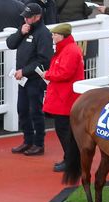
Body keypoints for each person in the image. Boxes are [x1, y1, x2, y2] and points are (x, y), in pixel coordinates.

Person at [6, 2, 52, 157]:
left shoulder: (43, 33)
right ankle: (27, 140)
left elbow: (44, 60)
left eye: (28, 17)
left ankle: (39, 144)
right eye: (24, 17)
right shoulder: (25, 28)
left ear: (37, 17)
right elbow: (10, 44)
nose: (25, 19)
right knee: (22, 110)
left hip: (34, 79)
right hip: (23, 80)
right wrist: (20, 32)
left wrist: (24, 71)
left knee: (35, 111)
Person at [43, 23, 83, 172]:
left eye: (55, 34)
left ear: (62, 36)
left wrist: (47, 74)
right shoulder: (67, 49)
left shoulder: (69, 51)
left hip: (66, 98)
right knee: (64, 130)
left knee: (64, 130)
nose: (53, 36)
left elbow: (64, 73)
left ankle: (71, 161)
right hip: (63, 97)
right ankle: (70, 159)